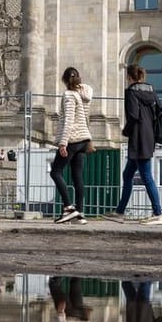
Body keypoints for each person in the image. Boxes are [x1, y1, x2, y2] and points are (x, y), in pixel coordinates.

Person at [108, 63, 162, 224]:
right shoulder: (152, 91)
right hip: (149, 137)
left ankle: (158, 213)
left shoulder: (131, 92)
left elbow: (133, 116)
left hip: (138, 138)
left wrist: (125, 131)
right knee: (127, 174)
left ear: (128, 77)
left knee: (146, 176)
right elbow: (159, 112)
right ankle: (120, 212)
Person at [50, 66, 94, 223]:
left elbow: (68, 119)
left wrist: (63, 143)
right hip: (84, 140)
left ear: (64, 80)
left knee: (55, 172)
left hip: (73, 139)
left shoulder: (69, 95)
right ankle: (79, 214)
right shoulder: (83, 94)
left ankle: (69, 208)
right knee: (77, 176)